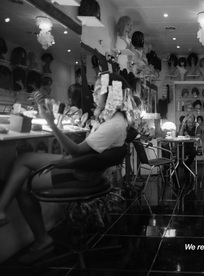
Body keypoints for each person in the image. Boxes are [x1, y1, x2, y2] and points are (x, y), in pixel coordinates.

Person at [0, 73, 138, 264]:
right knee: (24, 159)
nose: (94, 93)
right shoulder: (113, 118)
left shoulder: (113, 124)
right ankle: (1, 210)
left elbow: (75, 152)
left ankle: (41, 240)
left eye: (99, 90)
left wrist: (49, 120)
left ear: (110, 95)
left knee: (23, 185)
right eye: (95, 88)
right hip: (84, 167)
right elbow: (85, 148)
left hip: (81, 173)